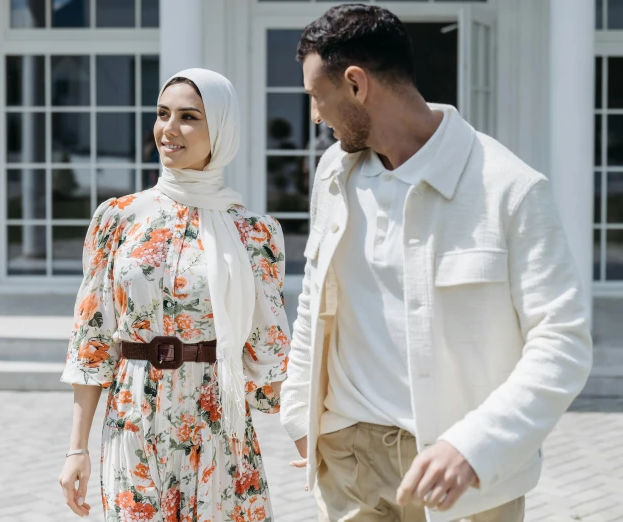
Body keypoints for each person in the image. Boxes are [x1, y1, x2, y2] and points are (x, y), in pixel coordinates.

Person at [279, 4, 593, 522]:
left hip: (461, 476)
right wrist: (300, 415)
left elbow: (562, 343)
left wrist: (474, 447)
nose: (315, 115)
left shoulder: (510, 189)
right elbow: (316, 294)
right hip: (348, 462)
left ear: (356, 85)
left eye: (317, 96)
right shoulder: (334, 171)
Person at [57, 68, 291, 521]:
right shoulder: (118, 218)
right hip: (133, 420)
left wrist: (308, 442)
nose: (169, 129)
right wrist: (75, 450)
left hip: (218, 428)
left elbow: (270, 347)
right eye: (163, 113)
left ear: (220, 129)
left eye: (189, 117)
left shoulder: (254, 232)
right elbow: (92, 340)